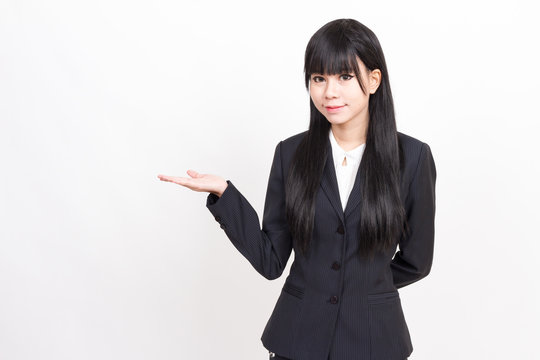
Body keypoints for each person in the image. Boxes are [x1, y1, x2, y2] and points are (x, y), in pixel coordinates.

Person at [158, 18, 436, 360]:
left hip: (374, 341)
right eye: (319, 78)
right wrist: (224, 194)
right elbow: (270, 260)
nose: (329, 92)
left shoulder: (413, 157)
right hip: (297, 340)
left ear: (374, 80)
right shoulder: (290, 154)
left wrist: (363, 288)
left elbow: (417, 261)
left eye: (345, 77)